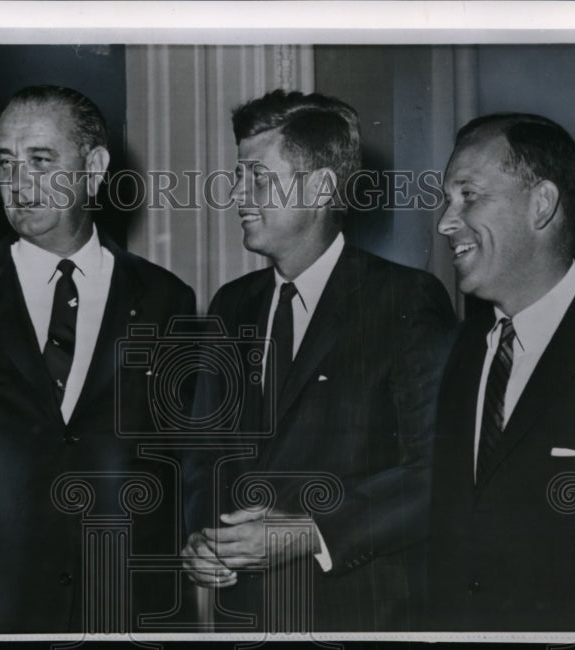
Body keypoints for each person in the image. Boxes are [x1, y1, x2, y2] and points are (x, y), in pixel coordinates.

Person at [180, 89, 455, 632]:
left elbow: (435, 475)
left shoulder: (404, 300)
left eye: (257, 176)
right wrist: (199, 538)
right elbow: (202, 457)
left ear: (322, 186)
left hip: (360, 614)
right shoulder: (231, 305)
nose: (237, 193)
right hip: (246, 618)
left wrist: (309, 532)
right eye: (238, 176)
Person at [0, 85, 196, 633]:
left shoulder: (166, 298)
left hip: (128, 607)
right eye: (6, 162)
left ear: (94, 167)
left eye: (41, 160)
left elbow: (179, 463)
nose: (18, 183)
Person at [428, 113, 575, 631]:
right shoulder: (461, 351)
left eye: (469, 196)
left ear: (542, 204)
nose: (445, 221)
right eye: (448, 200)